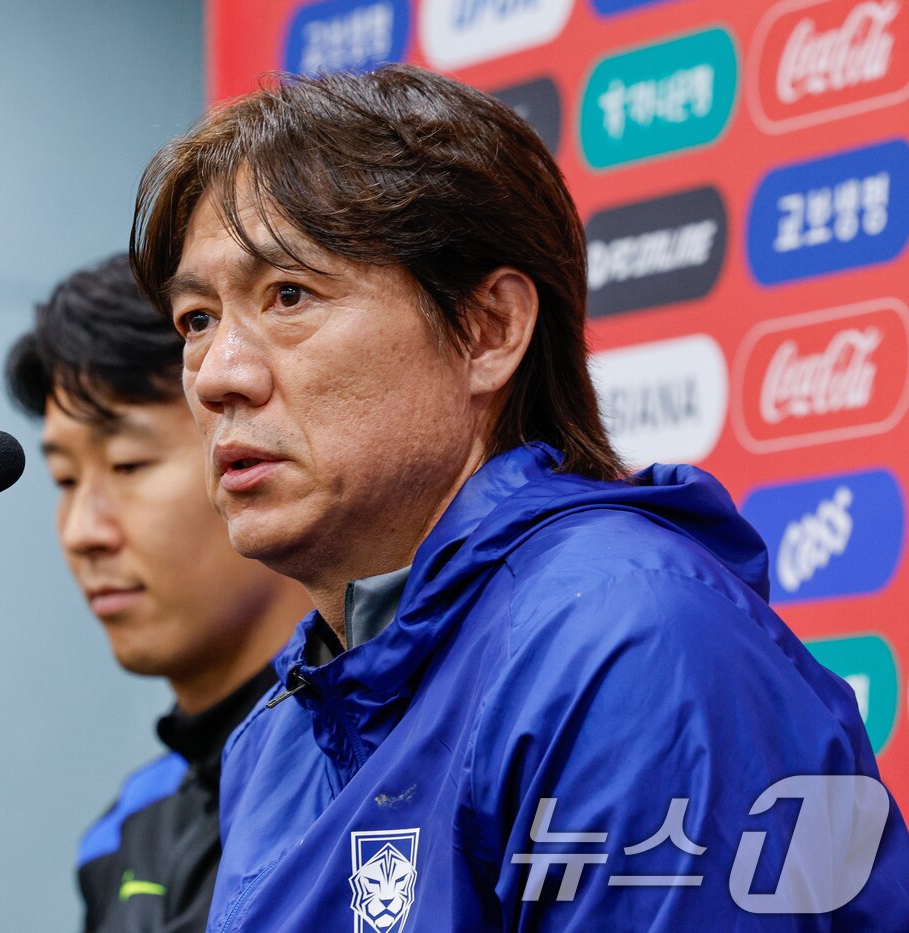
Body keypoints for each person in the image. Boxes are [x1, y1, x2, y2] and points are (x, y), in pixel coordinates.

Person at [129, 65, 909, 930]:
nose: (219, 377)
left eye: (289, 295)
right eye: (197, 319)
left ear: (488, 330)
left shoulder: (630, 646)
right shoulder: (275, 735)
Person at [5, 255, 312, 933]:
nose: (84, 531)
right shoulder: (128, 828)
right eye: (63, 478)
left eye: (128, 464)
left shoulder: (375, 779)